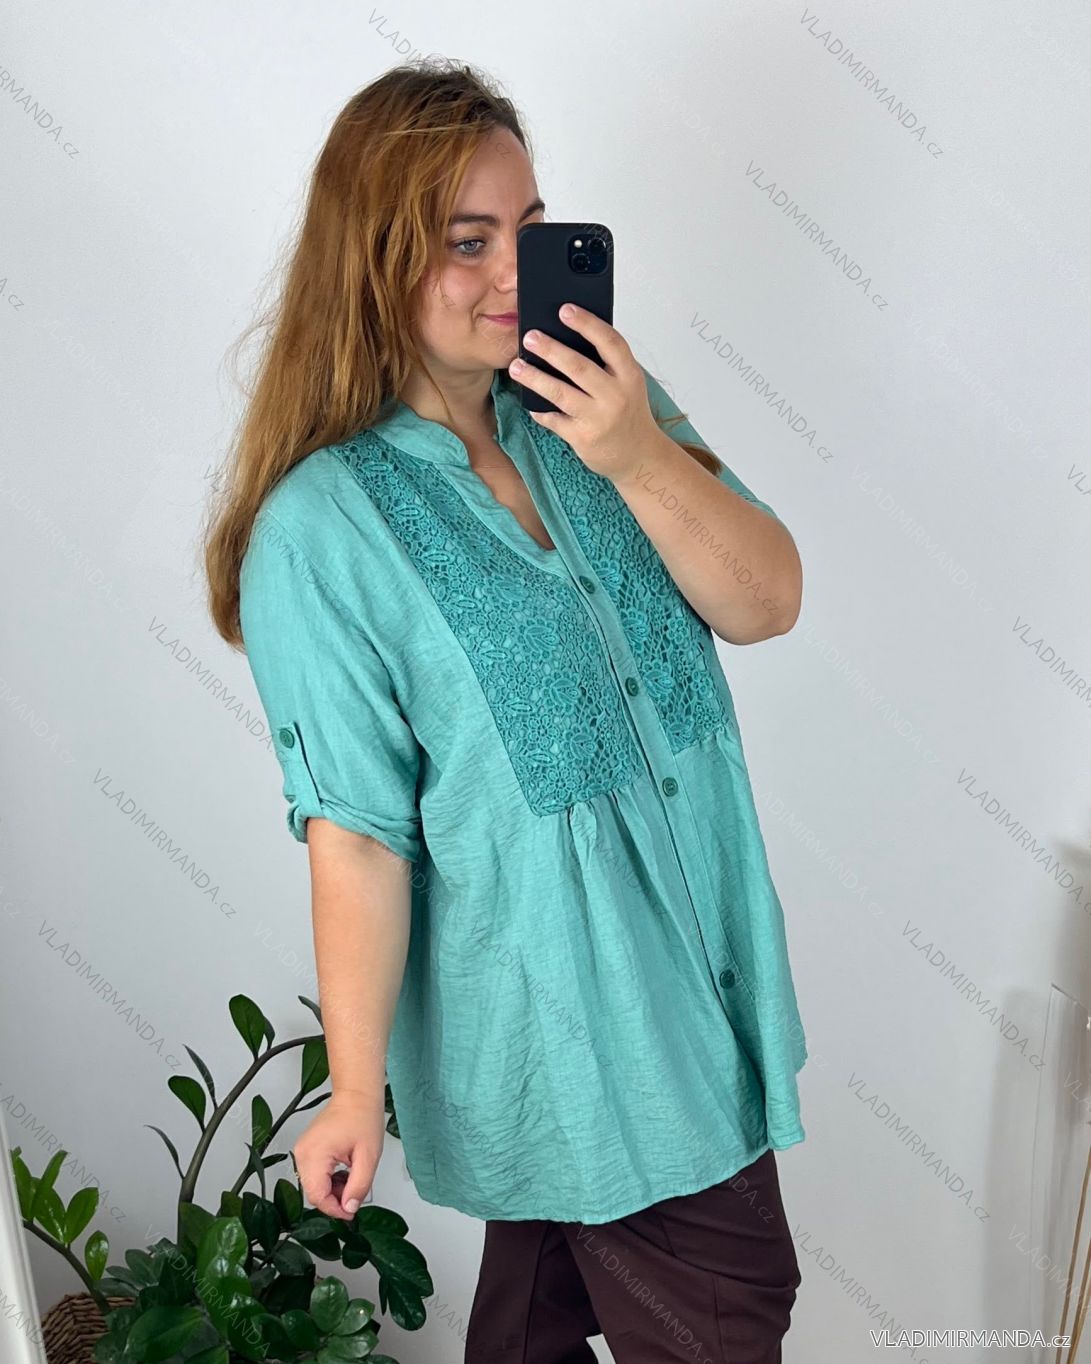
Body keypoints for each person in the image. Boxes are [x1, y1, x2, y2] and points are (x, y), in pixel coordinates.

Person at [204, 56, 808, 1364]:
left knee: (536, 1324)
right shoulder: (322, 531)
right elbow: (357, 834)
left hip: (696, 975)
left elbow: (767, 600)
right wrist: (353, 1088)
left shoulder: (599, 407)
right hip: (580, 1032)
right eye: (465, 242)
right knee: (731, 1300)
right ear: (377, 262)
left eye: (529, 231)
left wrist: (634, 452)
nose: (513, 274)